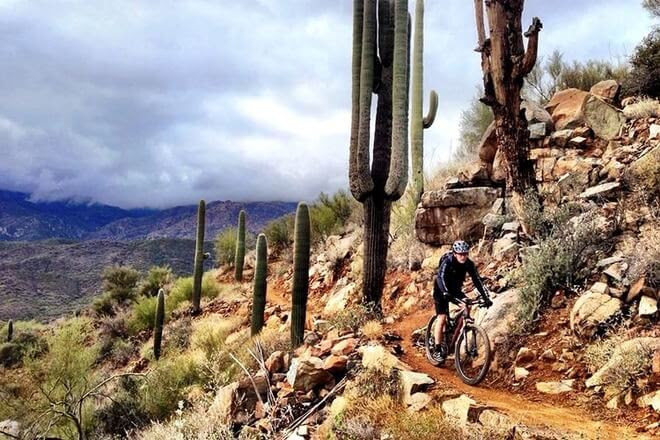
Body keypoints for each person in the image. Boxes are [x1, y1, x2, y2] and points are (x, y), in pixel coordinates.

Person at [432, 240, 492, 360]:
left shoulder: (468, 264)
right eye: (460, 254)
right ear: (454, 253)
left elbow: (477, 281)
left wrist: (486, 298)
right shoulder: (447, 262)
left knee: (467, 305)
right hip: (441, 289)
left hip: (455, 289)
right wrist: (445, 292)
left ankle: (457, 331)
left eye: (465, 254)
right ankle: (437, 349)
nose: (463, 256)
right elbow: (440, 277)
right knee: (442, 318)